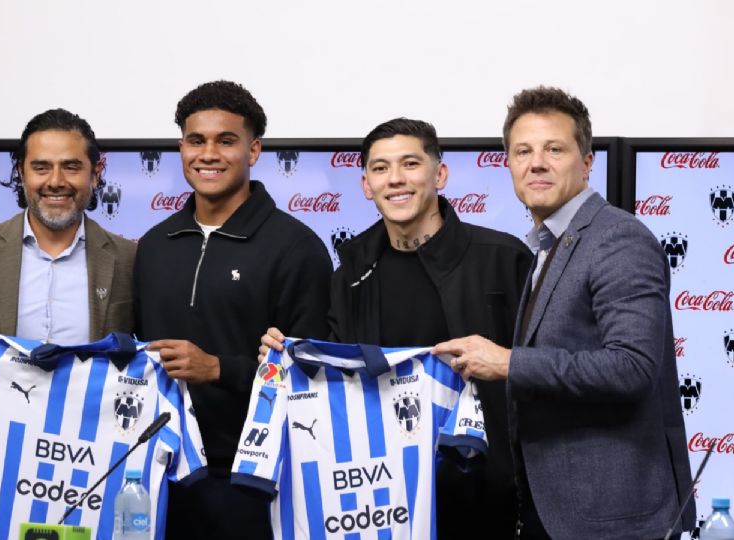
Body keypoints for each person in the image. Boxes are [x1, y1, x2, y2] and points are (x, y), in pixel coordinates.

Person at [433, 87, 695, 539]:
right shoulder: (549, 245)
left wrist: (507, 362)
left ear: (587, 161)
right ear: (510, 164)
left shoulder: (617, 239)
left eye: (554, 149)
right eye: (523, 151)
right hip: (557, 510)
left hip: (612, 519)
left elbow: (632, 368)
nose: (537, 162)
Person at [261, 118, 533, 539]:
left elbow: (543, 368)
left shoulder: (504, 259)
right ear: (366, 184)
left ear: (439, 174)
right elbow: (334, 378)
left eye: (410, 164)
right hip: (383, 499)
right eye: (381, 168)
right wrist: (285, 358)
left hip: (487, 497)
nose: (396, 180)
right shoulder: (350, 272)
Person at [0, 108, 136, 539]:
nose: (56, 180)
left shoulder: (129, 259)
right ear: (22, 172)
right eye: (41, 167)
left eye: (72, 165)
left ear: (95, 172)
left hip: (88, 481)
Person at [132, 80, 332, 539]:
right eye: (195, 140)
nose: (208, 154)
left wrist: (220, 369)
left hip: (252, 481)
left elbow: (313, 378)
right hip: (157, 473)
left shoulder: (296, 247)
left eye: (226, 141)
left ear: (254, 149)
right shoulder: (155, 244)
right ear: (181, 147)